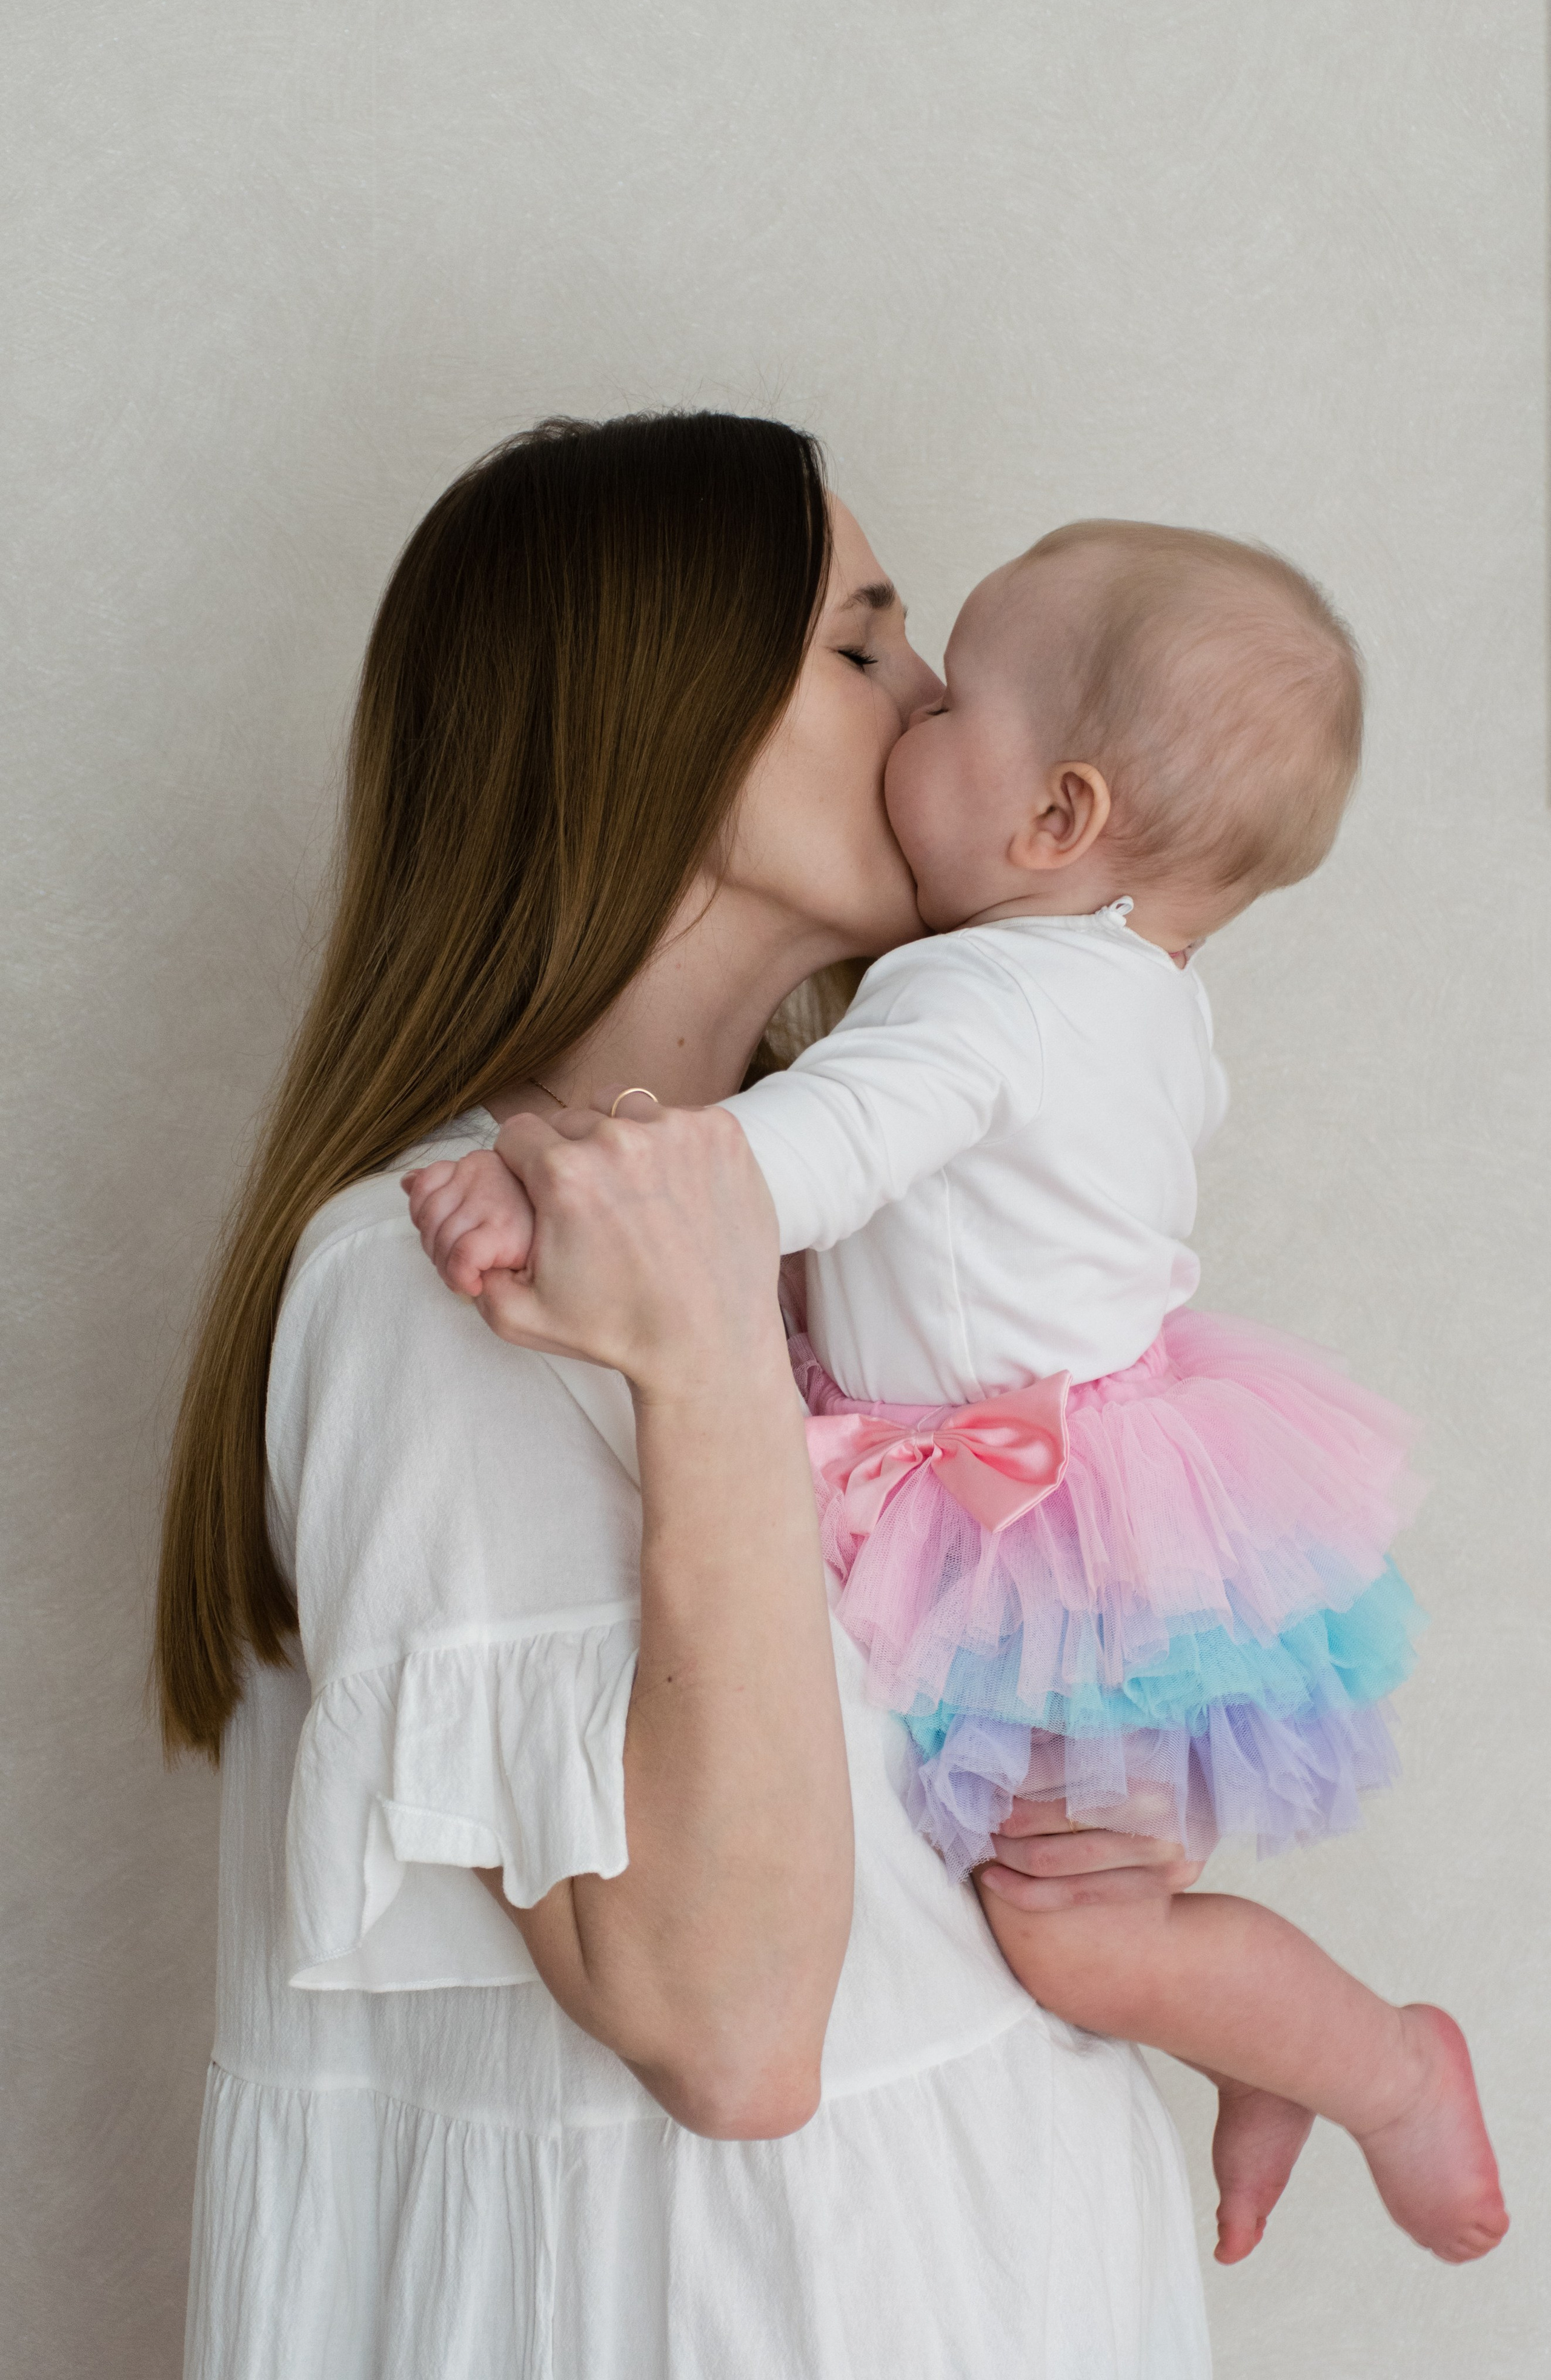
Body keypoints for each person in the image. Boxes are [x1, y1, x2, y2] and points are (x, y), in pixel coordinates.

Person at [160, 414, 1214, 2379]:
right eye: (867, 643)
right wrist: (714, 1334)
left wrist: (1084, 1857)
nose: (937, 704)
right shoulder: (437, 1282)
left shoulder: (864, 1240)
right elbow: (724, 2031)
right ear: (671, 728)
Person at [410, 517, 1509, 2276]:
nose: (916, 698)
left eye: (951, 691)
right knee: (1080, 1891)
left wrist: (549, 1175)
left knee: (1073, 1931)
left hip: (1030, 1513)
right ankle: (1276, 2049)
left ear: (1055, 819)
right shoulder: (1136, 997)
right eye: (874, 657)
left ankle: (1375, 2062)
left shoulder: (982, 1000)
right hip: (1071, 1493)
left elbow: (785, 1163)